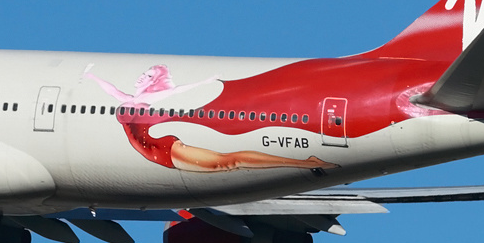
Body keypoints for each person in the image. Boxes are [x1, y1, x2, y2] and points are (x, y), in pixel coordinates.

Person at [82, 64, 337, 174]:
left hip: (164, 149)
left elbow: (179, 90)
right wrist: (91, 77)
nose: (141, 78)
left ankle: (305, 163)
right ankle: (305, 163)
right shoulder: (127, 98)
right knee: (229, 162)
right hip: (153, 152)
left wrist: (205, 82)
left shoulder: (154, 97)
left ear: (155, 82)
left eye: (148, 76)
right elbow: (111, 90)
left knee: (228, 162)